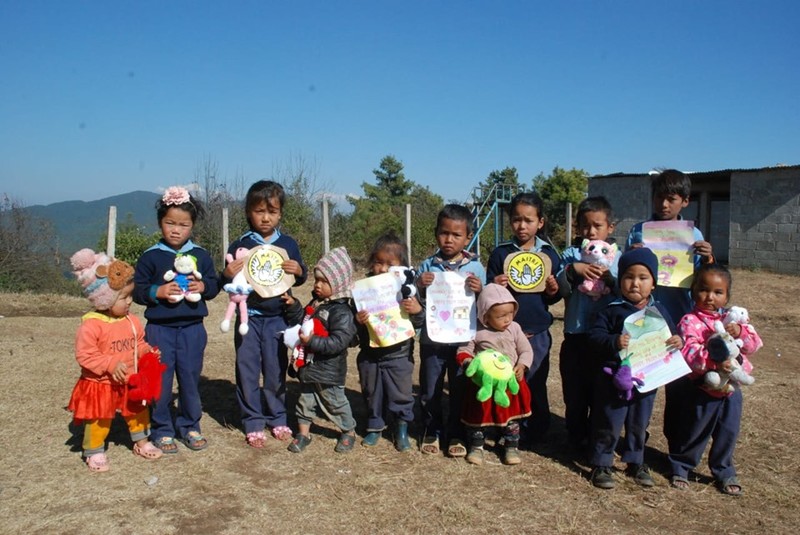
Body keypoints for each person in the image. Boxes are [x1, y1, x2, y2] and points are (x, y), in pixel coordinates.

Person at [624, 169, 714, 449]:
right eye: (659, 198)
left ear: (685, 202)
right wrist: (632, 254)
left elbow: (702, 283)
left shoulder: (694, 234)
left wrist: (708, 259)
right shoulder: (638, 230)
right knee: (642, 386)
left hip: (678, 321)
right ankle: (636, 442)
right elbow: (624, 275)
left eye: (671, 199)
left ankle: (676, 447)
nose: (663, 204)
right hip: (645, 320)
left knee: (680, 388)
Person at [133, 187, 220, 453]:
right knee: (160, 380)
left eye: (183, 225)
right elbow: (136, 290)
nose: (176, 230)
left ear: (192, 226)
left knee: (190, 378)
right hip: (159, 330)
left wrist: (203, 287)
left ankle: (190, 425)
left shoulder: (201, 256)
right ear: (161, 222)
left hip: (193, 329)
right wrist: (156, 291)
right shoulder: (151, 256)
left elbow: (215, 286)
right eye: (170, 223)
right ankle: (162, 429)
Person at [588, 248, 683, 489]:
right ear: (620, 280)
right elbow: (594, 337)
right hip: (613, 381)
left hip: (646, 379)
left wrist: (677, 340)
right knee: (609, 420)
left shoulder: (659, 312)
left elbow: (672, 335)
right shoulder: (611, 309)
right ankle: (602, 463)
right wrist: (613, 341)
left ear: (654, 283)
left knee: (639, 423)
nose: (635, 283)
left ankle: (636, 460)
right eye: (629, 277)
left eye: (643, 278)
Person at [222, 180, 308, 448]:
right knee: (247, 370)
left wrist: (299, 270)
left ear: (280, 213)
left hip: (277, 319)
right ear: (249, 211)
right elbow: (226, 279)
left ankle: (277, 417)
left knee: (275, 370)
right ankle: (253, 421)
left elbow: (300, 277)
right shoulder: (240, 245)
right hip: (248, 318)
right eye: (259, 211)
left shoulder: (288, 244)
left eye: (272, 211)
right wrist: (226, 273)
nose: (265, 217)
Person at [668, 264, 763, 496]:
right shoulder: (689, 320)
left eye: (718, 292)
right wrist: (714, 363)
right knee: (695, 429)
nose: (709, 297)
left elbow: (753, 345)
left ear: (727, 296)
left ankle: (724, 469)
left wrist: (740, 332)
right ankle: (681, 466)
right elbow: (689, 352)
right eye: (703, 290)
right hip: (704, 387)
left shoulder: (732, 319)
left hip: (731, 388)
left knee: (728, 430)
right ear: (693, 291)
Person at [68, 249, 164, 471]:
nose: (130, 301)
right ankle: (94, 451)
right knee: (99, 418)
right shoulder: (91, 325)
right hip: (101, 383)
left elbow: (138, 343)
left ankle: (141, 441)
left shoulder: (131, 321)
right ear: (104, 300)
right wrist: (110, 365)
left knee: (138, 410)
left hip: (130, 379)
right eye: (124, 297)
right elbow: (86, 356)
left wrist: (147, 352)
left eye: (130, 295)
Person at [486, 192, 561, 445]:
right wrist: (494, 284)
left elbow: (553, 298)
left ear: (540, 222)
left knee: (535, 381)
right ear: (510, 222)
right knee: (505, 380)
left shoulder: (550, 255)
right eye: (517, 220)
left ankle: (536, 429)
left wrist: (553, 290)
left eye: (528, 220)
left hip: (537, 333)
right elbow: (488, 295)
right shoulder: (500, 254)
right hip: (504, 332)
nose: (522, 225)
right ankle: (506, 428)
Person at [416, 204, 485, 457]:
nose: (449, 239)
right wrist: (419, 285)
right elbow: (414, 299)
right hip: (432, 340)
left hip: (462, 341)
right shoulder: (427, 266)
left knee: (460, 389)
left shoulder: (476, 268)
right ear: (436, 233)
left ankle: (456, 432)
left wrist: (480, 289)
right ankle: (432, 431)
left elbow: (485, 303)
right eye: (444, 233)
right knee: (430, 388)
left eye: (456, 235)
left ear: (468, 237)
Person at [556, 196, 621, 455]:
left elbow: (628, 293)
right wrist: (574, 270)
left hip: (606, 339)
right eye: (585, 226)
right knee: (575, 394)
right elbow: (559, 288)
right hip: (576, 334)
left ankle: (598, 440)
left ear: (610, 228)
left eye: (597, 225)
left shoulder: (619, 257)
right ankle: (576, 437)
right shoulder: (571, 254)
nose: (591, 232)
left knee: (602, 394)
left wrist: (612, 279)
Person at [285, 247, 358, 454]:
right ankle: (303, 433)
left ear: (338, 283)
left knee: (334, 402)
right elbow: (304, 321)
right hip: (309, 367)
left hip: (329, 370)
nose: (317, 285)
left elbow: (338, 342)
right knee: (304, 401)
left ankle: (348, 430)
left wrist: (312, 342)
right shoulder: (317, 304)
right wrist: (294, 306)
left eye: (324, 281)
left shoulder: (342, 311)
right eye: (317, 279)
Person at [355, 232, 424, 451]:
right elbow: (353, 326)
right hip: (370, 354)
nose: (383, 268)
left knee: (401, 393)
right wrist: (359, 320)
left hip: (399, 354)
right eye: (378, 262)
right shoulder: (363, 289)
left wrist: (417, 309)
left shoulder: (407, 289)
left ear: (401, 267)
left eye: (389, 264)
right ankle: (375, 426)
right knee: (372, 391)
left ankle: (401, 427)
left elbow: (421, 320)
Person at [455, 283, 533, 466]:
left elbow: (526, 350)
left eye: (510, 313)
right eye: (500, 316)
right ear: (485, 316)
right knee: (478, 416)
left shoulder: (514, 328)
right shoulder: (477, 331)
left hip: (509, 382)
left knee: (511, 417)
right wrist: (469, 362)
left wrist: (522, 365)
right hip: (484, 384)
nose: (507, 319)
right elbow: (463, 350)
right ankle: (477, 445)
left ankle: (511, 445)